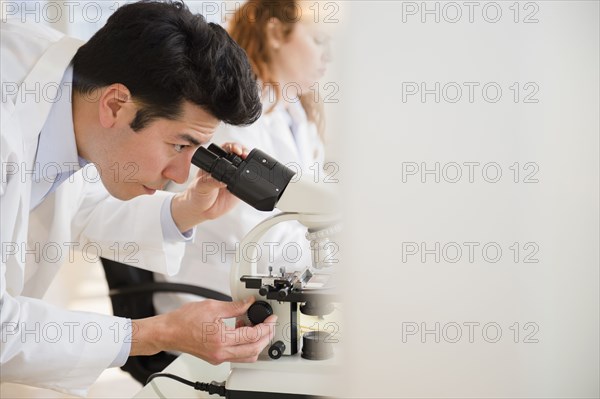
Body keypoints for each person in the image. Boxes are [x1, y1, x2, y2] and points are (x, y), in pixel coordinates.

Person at [0, 1, 277, 395]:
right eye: (179, 145)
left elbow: (77, 201)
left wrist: (184, 210)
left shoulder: (74, 88)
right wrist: (158, 333)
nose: (182, 175)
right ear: (115, 104)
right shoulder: (8, 124)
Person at [153, 0, 332, 313]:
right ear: (275, 32)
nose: (326, 56)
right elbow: (258, 238)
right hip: (214, 296)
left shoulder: (296, 114)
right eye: (318, 40)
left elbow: (315, 206)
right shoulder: (233, 117)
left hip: (269, 285)